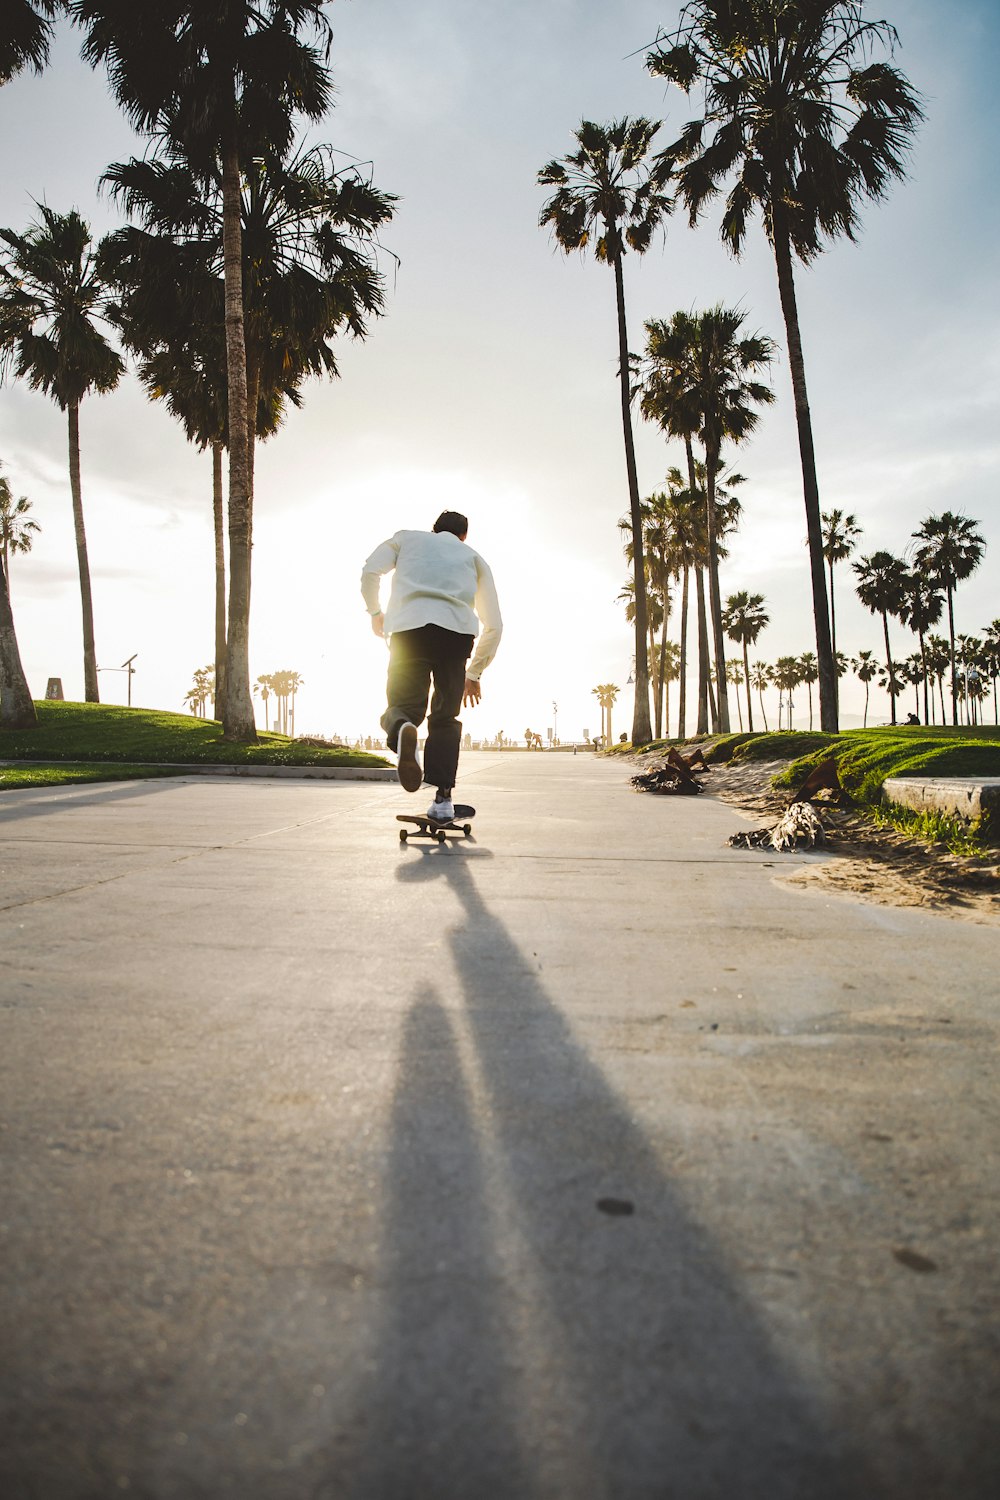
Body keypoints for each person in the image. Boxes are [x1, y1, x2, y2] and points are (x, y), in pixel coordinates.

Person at [361, 511, 502, 820]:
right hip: (456, 635)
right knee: (445, 716)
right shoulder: (473, 557)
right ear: (464, 536)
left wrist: (375, 612)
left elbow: (371, 571)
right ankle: (443, 800)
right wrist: (474, 673)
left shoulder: (406, 539)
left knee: (403, 705)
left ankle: (403, 729)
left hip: (409, 630)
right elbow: (495, 625)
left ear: (434, 529)